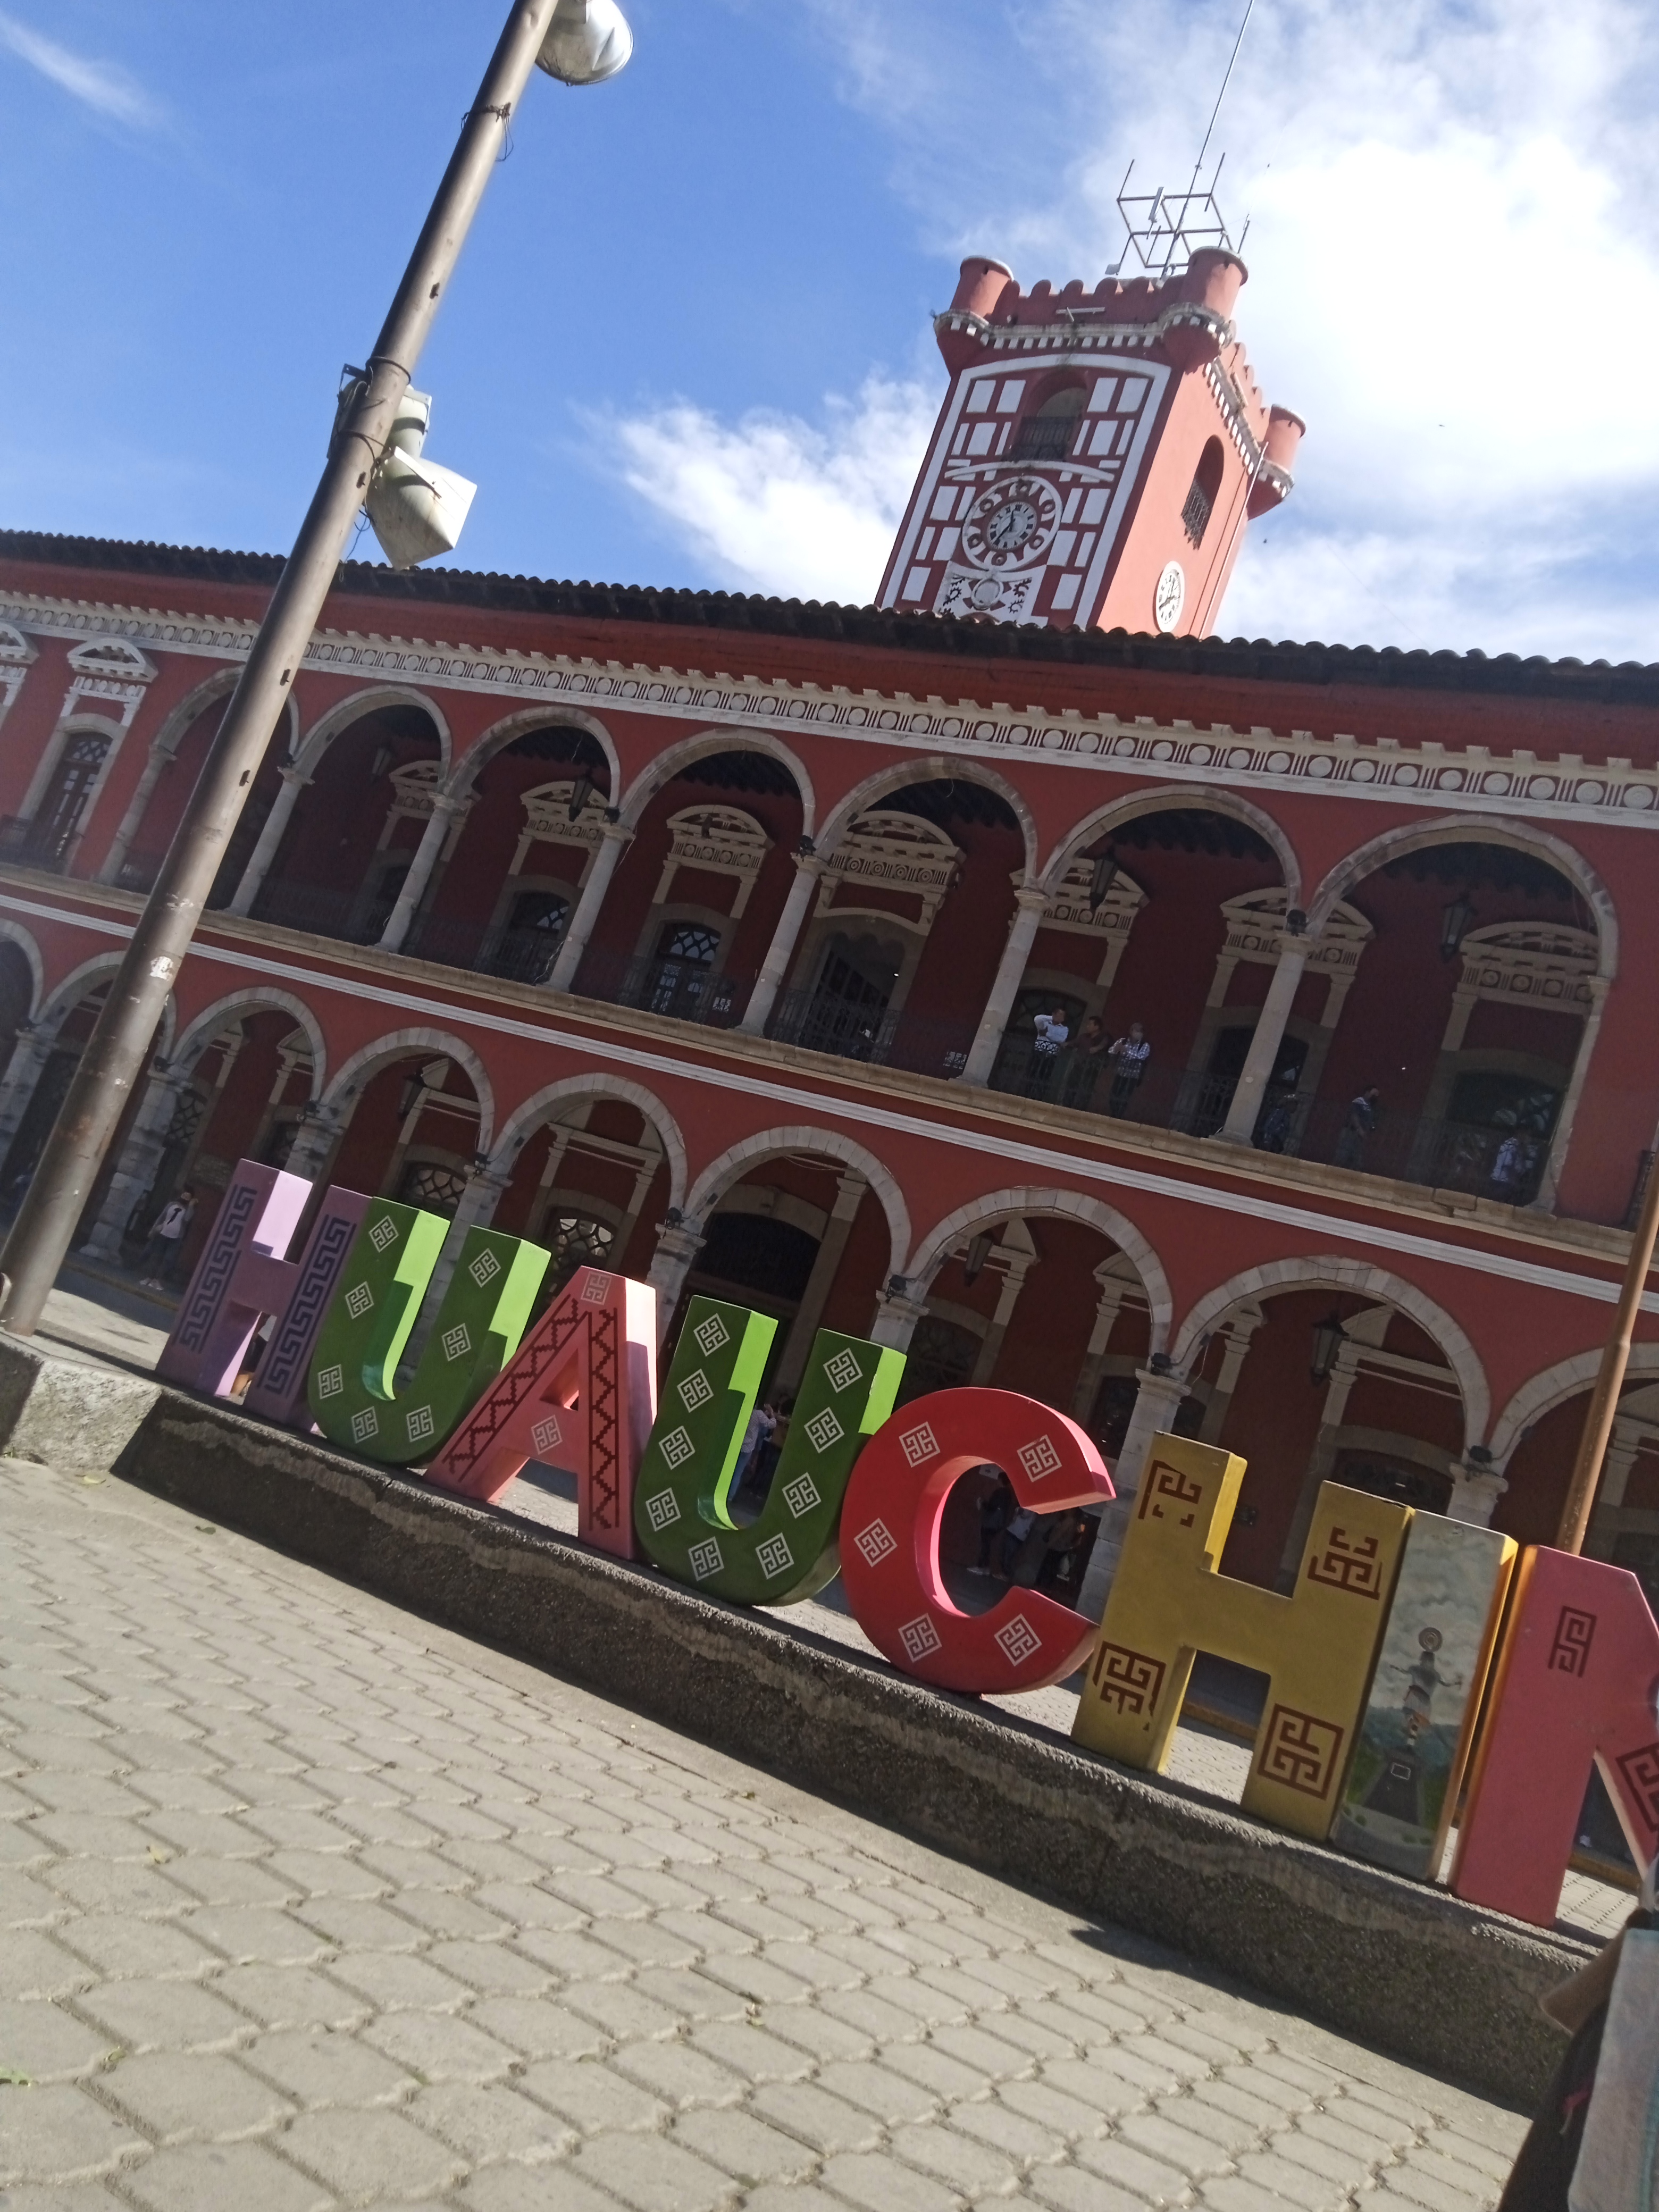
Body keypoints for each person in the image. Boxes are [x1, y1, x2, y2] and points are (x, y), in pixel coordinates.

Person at [139, 1187, 195, 1289]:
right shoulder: (171, 1205)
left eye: (188, 1197)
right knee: (156, 1256)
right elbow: (162, 1217)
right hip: (163, 1233)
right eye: (184, 1195)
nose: (185, 1198)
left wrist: (191, 1206)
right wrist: (153, 1230)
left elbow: (187, 1219)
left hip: (175, 1238)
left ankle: (157, 1279)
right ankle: (149, 1278)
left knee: (168, 1259)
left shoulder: (188, 1210)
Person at [972, 1470, 1015, 1577]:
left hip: (990, 1522)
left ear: (1000, 1480)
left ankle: (981, 1566)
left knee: (985, 1544)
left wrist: (982, 1502)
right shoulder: (1009, 1494)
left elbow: (992, 1507)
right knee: (988, 1545)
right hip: (998, 1524)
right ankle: (985, 1568)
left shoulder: (999, 1492)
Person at [1106, 1022, 1151, 1116]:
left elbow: (1141, 1057)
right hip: (1120, 1072)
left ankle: (1118, 1115)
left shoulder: (1145, 1045)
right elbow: (1111, 1051)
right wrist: (1116, 1050)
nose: (1139, 1033)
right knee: (1114, 1094)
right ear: (1131, 1031)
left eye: (1141, 1031)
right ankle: (1114, 1112)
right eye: (1137, 1030)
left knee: (1125, 1096)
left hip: (1133, 1075)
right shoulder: (1122, 1041)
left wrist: (1127, 1051)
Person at [1334, 1087, 1380, 1170]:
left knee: (1356, 1157)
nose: (1375, 1097)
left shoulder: (1372, 1107)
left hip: (1361, 1135)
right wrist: (1359, 1129)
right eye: (1373, 1094)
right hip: (1351, 1131)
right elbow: (1354, 1115)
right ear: (1367, 1093)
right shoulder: (1359, 1101)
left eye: (1377, 1095)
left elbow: (1372, 1121)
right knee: (1344, 1153)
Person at [1027, 1008, 1069, 1095]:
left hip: (1051, 1055)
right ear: (1054, 1014)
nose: (1061, 1017)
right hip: (1039, 1052)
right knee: (1032, 1073)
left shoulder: (1064, 1029)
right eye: (1059, 1014)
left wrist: (1047, 1034)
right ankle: (1027, 1093)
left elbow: (1061, 1040)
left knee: (1045, 1076)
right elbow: (1037, 1019)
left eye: (1063, 1016)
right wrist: (1051, 1018)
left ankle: (1040, 1096)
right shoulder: (1044, 1024)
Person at [1490, 1130, 1532, 1202]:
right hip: (1503, 1181)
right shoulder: (1510, 1145)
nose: (1528, 1139)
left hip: (1508, 1183)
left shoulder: (1520, 1147)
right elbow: (1508, 1163)